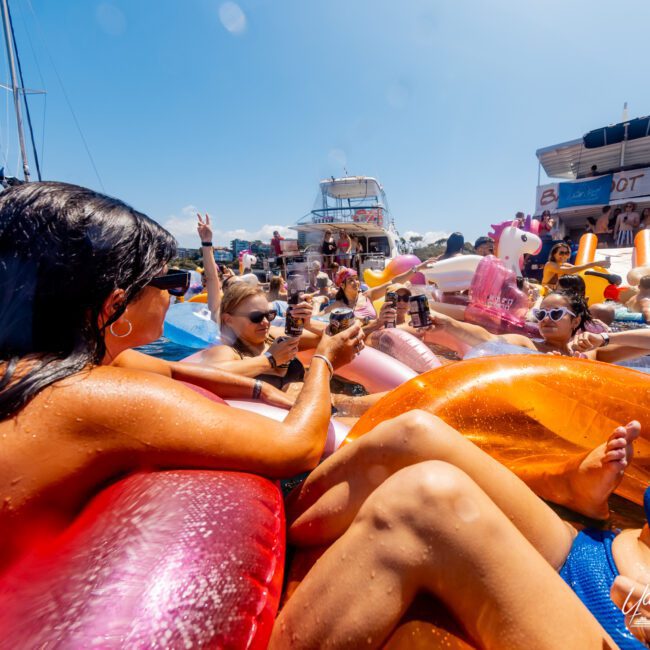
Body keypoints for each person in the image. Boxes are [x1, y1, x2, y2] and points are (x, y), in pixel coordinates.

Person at [1, 183, 646, 649]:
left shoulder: (51, 368)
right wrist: (322, 365)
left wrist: (266, 380)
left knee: (415, 433)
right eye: (164, 284)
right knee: (426, 496)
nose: (175, 294)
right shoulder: (89, 394)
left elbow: (173, 372)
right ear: (114, 305)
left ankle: (563, 492)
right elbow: (295, 448)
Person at [421, 290, 650, 363]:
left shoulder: (591, 352)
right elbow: (490, 340)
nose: (546, 318)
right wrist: (450, 324)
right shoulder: (529, 346)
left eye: (556, 313)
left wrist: (606, 339)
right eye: (541, 313)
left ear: (576, 321)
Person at [542, 242, 610, 290]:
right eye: (561, 253)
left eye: (567, 253)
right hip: (545, 295)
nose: (564, 255)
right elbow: (570, 271)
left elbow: (579, 270)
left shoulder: (565, 265)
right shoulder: (549, 264)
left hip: (556, 295)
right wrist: (594, 264)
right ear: (554, 254)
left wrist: (599, 267)